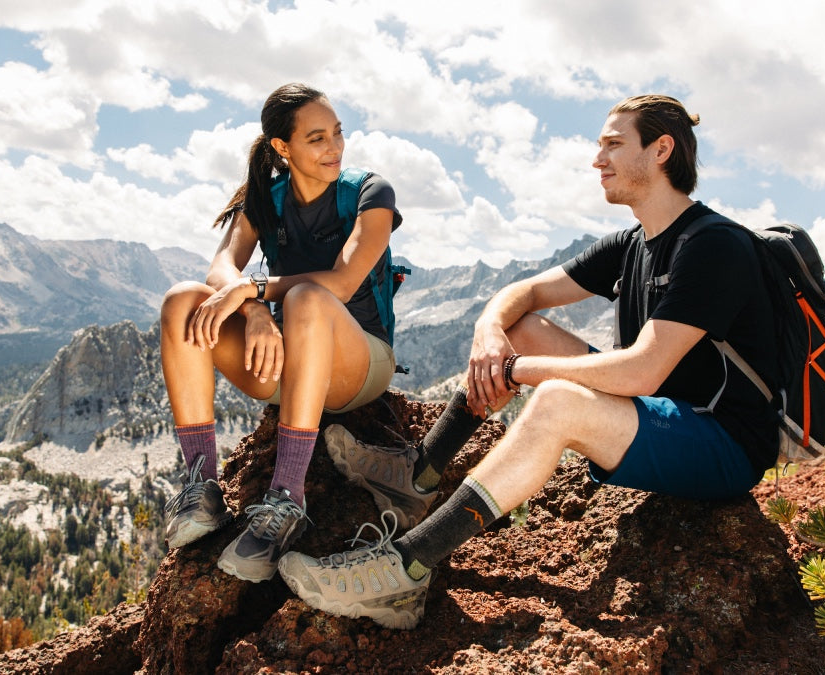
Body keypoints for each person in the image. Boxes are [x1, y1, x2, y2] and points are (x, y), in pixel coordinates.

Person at [277, 94, 781, 630]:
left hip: (721, 444)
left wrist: (517, 370)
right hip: (663, 413)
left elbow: (641, 371)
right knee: (519, 329)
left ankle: (404, 570)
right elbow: (523, 296)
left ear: (662, 150)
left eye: (614, 144)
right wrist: (492, 332)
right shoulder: (636, 243)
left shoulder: (713, 245)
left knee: (558, 400)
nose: (597, 159)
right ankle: (416, 473)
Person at [159, 83, 402, 584]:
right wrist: (253, 313)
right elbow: (220, 268)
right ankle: (202, 486)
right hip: (289, 368)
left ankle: (287, 499)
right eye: (317, 138)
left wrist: (254, 289)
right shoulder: (264, 199)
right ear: (282, 148)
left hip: (359, 367)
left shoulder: (370, 193)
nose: (334, 147)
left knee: (308, 298)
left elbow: (342, 281)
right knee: (182, 301)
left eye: (337, 134)